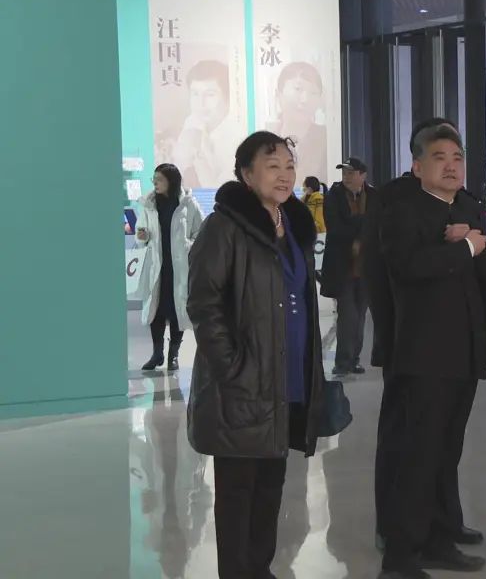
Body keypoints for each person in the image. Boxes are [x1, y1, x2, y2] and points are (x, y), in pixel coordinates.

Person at [186, 131, 326, 577]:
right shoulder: (224, 227)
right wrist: (232, 368)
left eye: (289, 165)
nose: (285, 175)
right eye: (272, 166)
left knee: (270, 490)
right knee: (237, 496)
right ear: (247, 175)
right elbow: (203, 304)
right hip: (243, 383)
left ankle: (260, 570)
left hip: (286, 376)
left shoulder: (294, 225)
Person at [378, 126, 486, 579]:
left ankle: (437, 540)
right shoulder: (402, 212)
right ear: (417, 166)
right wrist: (464, 246)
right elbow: (408, 268)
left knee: (446, 452)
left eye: (457, 157)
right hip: (424, 353)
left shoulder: (467, 208)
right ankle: (400, 557)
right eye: (439, 157)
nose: (451, 166)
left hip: (465, 351)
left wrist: (475, 244)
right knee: (418, 456)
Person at [136, 163, 204, 372]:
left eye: (159, 179)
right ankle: (157, 354)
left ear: (171, 181)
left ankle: (173, 355)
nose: (155, 183)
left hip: (179, 267)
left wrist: (187, 246)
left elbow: (201, 233)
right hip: (158, 265)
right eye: (154, 179)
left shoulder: (188, 204)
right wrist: (142, 236)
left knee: (177, 310)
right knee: (155, 310)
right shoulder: (149, 204)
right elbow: (141, 232)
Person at [322, 157, 377, 376]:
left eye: (351, 173)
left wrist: (359, 232)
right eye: (344, 172)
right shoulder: (333, 196)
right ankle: (343, 362)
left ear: (363, 175)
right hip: (342, 266)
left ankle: (354, 359)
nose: (346, 176)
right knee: (348, 315)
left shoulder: (374, 196)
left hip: (367, 267)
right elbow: (335, 228)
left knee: (361, 315)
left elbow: (377, 225)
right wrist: (361, 226)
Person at [171, 60, 236, 189]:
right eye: (195, 94)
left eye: (210, 95)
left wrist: (199, 162)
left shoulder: (237, 137)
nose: (200, 103)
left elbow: (218, 192)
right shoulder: (192, 124)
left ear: (228, 98)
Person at [267, 62, 328, 181]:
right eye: (298, 89)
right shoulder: (266, 137)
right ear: (278, 94)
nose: (305, 99)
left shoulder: (327, 139)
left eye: (313, 93)